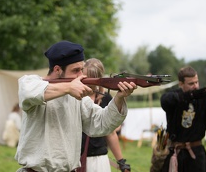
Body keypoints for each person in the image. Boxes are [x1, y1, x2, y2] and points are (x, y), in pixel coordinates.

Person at [15, 41, 137, 172]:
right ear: (57, 69)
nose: (81, 76)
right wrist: (68, 88)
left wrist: (119, 98)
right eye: (76, 71)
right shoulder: (30, 83)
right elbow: (29, 93)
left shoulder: (77, 97)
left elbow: (102, 122)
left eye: (81, 69)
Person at [160, 66, 206, 172]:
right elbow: (164, 101)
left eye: (196, 82)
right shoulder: (174, 97)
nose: (195, 86)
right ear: (181, 84)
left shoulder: (204, 99)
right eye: (191, 84)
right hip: (175, 154)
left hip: (196, 154)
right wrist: (190, 95)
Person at [80, 58, 131, 172]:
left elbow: (111, 133)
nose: (89, 81)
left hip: (98, 158)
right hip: (75, 157)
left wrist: (121, 162)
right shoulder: (76, 97)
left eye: (93, 78)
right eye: (86, 77)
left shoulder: (106, 99)